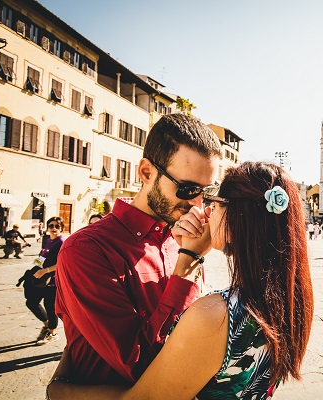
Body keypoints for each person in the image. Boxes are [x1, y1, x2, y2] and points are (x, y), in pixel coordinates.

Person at [48, 161, 314, 399]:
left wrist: (60, 389)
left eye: (214, 202)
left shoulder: (215, 316)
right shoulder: (289, 301)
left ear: (235, 219)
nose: (204, 210)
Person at [54, 113, 222, 384]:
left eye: (207, 190)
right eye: (188, 188)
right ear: (146, 172)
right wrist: (189, 260)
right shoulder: (86, 250)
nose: (197, 204)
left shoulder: (179, 239)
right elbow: (141, 366)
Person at [24, 217, 65, 345]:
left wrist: (45, 271)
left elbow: (62, 263)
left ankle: (53, 333)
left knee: (50, 307)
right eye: (51, 226)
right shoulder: (48, 241)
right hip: (41, 279)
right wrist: (33, 269)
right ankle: (47, 325)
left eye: (57, 226)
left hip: (52, 281)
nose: (53, 228)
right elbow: (41, 257)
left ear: (61, 228)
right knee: (31, 302)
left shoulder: (61, 242)